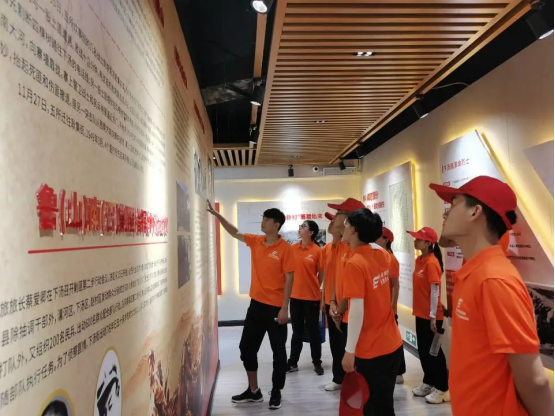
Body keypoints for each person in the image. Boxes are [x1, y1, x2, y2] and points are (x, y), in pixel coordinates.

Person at [429, 176, 554, 416]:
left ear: (475, 212)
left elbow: (535, 379)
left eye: (453, 204)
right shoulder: (475, 274)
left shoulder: (494, 280)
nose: (445, 213)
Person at [207, 201, 295, 410]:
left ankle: (276, 390)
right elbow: (235, 232)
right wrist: (218, 216)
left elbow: (289, 279)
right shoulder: (257, 241)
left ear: (276, 225)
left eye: (267, 219)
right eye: (262, 218)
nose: (262, 222)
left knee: (278, 352)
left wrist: (285, 308)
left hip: (276, 308)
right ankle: (254, 391)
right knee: (246, 348)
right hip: (256, 306)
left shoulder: (285, 249)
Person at [341, 209, 404, 416]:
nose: (343, 227)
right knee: (384, 405)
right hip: (392, 344)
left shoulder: (355, 264)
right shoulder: (382, 255)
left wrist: (349, 350)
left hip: (371, 350)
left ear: (354, 230)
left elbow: (356, 310)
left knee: (373, 408)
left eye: (346, 223)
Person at [325, 198, 366, 392]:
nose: (334, 218)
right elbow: (336, 277)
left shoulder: (357, 248)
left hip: (350, 310)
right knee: (337, 346)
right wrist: (332, 301)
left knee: (350, 351)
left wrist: (339, 309)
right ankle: (339, 379)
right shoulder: (341, 244)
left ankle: (353, 387)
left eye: (338, 213)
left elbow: (353, 287)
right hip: (338, 307)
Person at [407, 227, 450, 405]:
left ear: (428, 243)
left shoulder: (432, 262)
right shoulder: (419, 260)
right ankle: (429, 381)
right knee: (424, 351)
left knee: (434, 353)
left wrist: (433, 315)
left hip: (432, 316)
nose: (415, 241)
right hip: (421, 313)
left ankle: (442, 388)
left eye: (418, 239)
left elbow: (435, 290)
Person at [288, 220, 325, 376]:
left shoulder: (317, 251)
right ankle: (292, 363)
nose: (300, 228)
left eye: (303, 227)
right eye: (300, 226)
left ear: (310, 233)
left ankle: (317, 362)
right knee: (296, 331)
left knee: (313, 331)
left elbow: (321, 273)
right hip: (295, 296)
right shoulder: (293, 249)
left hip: (311, 298)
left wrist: (315, 286)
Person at [376, 227, 407, 385]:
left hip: (388, 308)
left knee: (394, 341)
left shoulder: (390, 259)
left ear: (386, 240)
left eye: (379, 237)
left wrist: (393, 307)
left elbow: (395, 285)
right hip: (380, 307)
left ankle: (399, 371)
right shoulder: (379, 257)